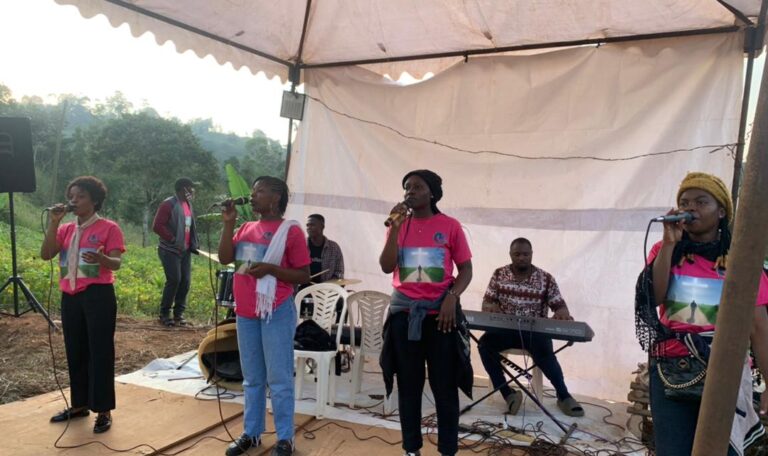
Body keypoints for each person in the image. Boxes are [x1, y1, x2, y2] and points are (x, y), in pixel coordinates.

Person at [635, 172, 768, 456]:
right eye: (684, 202)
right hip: (671, 368)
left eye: (701, 202)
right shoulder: (665, 250)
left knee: (722, 450)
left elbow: (758, 327)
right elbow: (654, 298)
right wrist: (669, 244)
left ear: (721, 211)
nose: (690, 208)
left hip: (724, 368)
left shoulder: (740, 259)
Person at [378, 169, 473, 456]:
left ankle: (447, 450)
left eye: (417, 186)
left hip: (441, 318)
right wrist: (395, 229)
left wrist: (452, 298)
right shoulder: (398, 226)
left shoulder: (450, 226)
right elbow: (386, 266)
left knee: (445, 386)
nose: (410, 191)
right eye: (407, 187)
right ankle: (411, 449)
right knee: (409, 386)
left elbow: (466, 270)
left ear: (432, 193)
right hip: (405, 317)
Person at [218, 176, 310, 456]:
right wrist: (229, 223)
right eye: (253, 191)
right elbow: (225, 258)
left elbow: (303, 275)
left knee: (279, 378)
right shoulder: (246, 228)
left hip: (276, 310)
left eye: (259, 191)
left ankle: (285, 438)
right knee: (252, 377)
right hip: (246, 312)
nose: (252, 195)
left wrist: (272, 270)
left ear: (276, 198)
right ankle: (252, 433)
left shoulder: (290, 231)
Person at [41, 176, 125, 434]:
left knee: (100, 351)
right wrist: (54, 223)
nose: (74, 201)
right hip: (71, 296)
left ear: (95, 201)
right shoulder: (66, 229)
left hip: (98, 295)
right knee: (75, 349)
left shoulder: (109, 228)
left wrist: (102, 259)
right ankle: (79, 405)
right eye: (72, 196)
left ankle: (103, 409)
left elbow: (116, 263)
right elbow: (46, 254)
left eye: (81, 196)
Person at [477, 238, 584, 417]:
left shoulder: (546, 279)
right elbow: (487, 302)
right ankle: (508, 394)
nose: (521, 258)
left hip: (535, 333)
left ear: (532, 254)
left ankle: (564, 395)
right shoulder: (499, 274)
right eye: (517, 254)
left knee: (546, 355)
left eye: (525, 254)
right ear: (510, 255)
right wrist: (490, 307)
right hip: (505, 331)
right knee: (484, 346)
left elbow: (560, 306)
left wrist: (562, 314)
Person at [152, 177, 199, 327]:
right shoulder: (168, 204)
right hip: (170, 250)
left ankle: (179, 313)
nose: (192, 191)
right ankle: (164, 313)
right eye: (190, 188)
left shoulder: (188, 204)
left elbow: (189, 226)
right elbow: (157, 226)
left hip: (184, 250)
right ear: (183, 189)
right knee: (174, 280)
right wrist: (173, 239)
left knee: (185, 281)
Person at [305, 213, 344, 283]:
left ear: (322, 226)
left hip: (325, 289)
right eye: (307, 225)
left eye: (312, 225)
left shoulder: (334, 248)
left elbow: (339, 272)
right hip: (303, 288)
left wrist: (330, 284)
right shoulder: (301, 245)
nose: (309, 228)